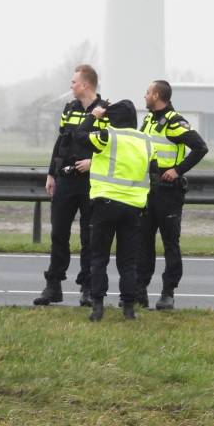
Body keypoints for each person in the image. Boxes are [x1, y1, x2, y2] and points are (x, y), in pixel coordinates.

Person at [33, 64, 109, 307]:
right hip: (65, 180)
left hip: (92, 182)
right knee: (58, 234)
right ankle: (53, 285)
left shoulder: (107, 110)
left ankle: (87, 287)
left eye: (74, 82)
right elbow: (61, 143)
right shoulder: (69, 109)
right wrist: (51, 174)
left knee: (90, 237)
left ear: (86, 84)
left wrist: (94, 163)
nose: (71, 86)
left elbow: (114, 146)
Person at [136, 80, 208, 310]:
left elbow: (200, 147)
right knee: (143, 242)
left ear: (157, 95)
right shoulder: (148, 120)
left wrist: (177, 170)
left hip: (168, 194)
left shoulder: (174, 122)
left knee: (170, 243)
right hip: (147, 190)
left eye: (147, 92)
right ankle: (140, 290)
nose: (145, 95)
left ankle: (168, 292)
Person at [86, 99, 156, 322]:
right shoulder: (146, 141)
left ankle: (97, 306)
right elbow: (152, 169)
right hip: (134, 207)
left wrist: (94, 117)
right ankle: (128, 308)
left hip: (106, 203)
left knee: (99, 257)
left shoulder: (108, 135)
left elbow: (79, 137)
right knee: (127, 261)